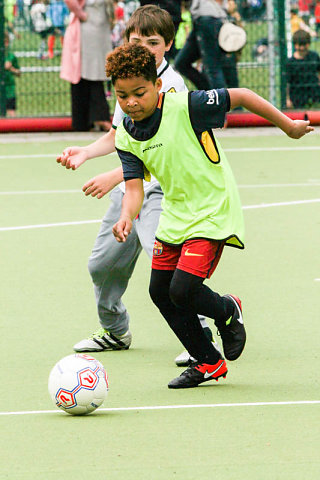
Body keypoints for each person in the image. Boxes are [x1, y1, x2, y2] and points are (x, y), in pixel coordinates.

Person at [107, 43, 312, 389]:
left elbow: (244, 95)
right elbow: (133, 189)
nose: (131, 102)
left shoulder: (188, 106)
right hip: (176, 212)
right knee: (160, 291)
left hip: (213, 207)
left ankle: (227, 310)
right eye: (122, 95)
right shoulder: (126, 133)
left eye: (139, 93)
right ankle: (208, 362)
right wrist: (127, 216)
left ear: (157, 87)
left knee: (183, 288)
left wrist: (288, 126)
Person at [57, 5, 217, 365]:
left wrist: (114, 175)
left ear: (168, 44)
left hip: (162, 191)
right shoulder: (131, 79)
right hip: (130, 190)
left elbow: (160, 153)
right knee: (101, 265)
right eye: (136, 39)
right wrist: (85, 152)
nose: (144, 46)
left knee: (174, 272)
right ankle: (115, 330)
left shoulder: (170, 87)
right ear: (126, 40)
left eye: (153, 41)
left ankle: (203, 331)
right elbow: (119, 136)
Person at [60, 0, 113, 131]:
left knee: (95, 72)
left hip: (99, 26)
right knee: (91, 72)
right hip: (89, 26)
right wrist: (81, 14)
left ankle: (85, 120)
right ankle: (97, 117)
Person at [174, 0, 228, 90]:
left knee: (212, 67)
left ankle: (220, 100)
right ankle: (208, 94)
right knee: (181, 63)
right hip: (201, 18)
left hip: (207, 18)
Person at [286, 29, 320, 109]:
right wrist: (287, 99)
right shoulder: (290, 62)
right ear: (295, 45)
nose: (302, 47)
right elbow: (287, 83)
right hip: (297, 95)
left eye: (305, 44)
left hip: (314, 93)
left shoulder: (314, 56)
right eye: (299, 45)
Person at [4, 31, 21, 117]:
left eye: (7, 42)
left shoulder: (11, 56)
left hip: (10, 89)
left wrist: (11, 69)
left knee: (11, 112)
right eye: (3, 42)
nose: (6, 44)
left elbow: (19, 73)